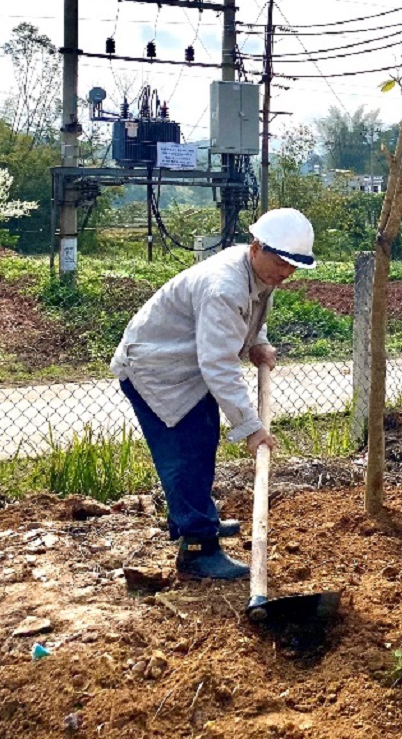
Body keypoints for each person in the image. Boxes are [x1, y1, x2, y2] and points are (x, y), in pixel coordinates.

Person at [111, 208, 316, 580]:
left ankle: (200, 519)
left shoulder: (256, 272)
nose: (287, 273)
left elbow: (251, 315)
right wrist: (252, 428)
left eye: (294, 266)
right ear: (257, 247)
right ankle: (197, 549)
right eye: (282, 262)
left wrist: (257, 342)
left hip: (188, 366)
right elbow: (219, 365)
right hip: (157, 370)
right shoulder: (225, 285)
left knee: (203, 440)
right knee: (184, 452)